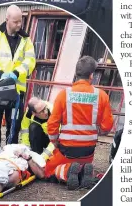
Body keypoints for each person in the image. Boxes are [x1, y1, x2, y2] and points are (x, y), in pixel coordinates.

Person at [25, 56, 114, 190]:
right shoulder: (101, 95)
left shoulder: (63, 95)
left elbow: (52, 125)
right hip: (88, 152)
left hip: (66, 150)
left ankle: (67, 172)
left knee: (45, 172)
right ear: (91, 76)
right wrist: (96, 131)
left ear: (76, 74)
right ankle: (83, 171)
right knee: (81, 164)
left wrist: (55, 143)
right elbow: (107, 126)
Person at [0, 5, 36, 143]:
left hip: (16, 91)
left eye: (20, 21)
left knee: (14, 126)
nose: (19, 24)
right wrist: (0, 73)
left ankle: (10, 156)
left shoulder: (26, 40)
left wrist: (17, 73)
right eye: (15, 21)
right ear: (7, 19)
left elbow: (30, 61)